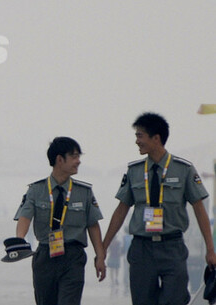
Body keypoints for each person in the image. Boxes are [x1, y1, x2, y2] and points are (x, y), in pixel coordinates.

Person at [99, 112, 216, 305]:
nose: (137, 141)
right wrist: (103, 248)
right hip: (142, 249)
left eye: (140, 136)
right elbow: (121, 210)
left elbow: (199, 209)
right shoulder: (134, 171)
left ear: (156, 138)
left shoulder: (184, 170)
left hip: (172, 248)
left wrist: (210, 250)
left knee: (175, 299)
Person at [12, 136, 106, 305]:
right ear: (59, 160)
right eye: (74, 157)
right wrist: (19, 239)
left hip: (73, 257)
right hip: (45, 256)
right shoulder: (36, 190)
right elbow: (25, 217)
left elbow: (93, 225)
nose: (78, 161)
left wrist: (100, 256)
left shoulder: (83, 192)